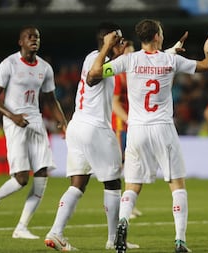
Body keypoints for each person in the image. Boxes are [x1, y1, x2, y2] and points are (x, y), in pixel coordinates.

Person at [87, 19, 208, 253]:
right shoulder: (170, 60)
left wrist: (104, 48)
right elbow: (205, 66)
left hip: (137, 129)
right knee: (177, 185)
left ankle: (122, 223)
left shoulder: (128, 61)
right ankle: (180, 241)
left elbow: (94, 73)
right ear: (156, 37)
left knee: (132, 185)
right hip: (162, 127)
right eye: (161, 33)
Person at [44, 22, 139, 251]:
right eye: (119, 39)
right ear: (108, 40)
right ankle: (114, 239)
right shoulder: (96, 59)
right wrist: (107, 46)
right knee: (113, 183)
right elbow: (92, 78)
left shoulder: (103, 61)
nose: (123, 43)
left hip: (78, 126)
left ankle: (56, 232)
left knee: (78, 184)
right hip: (95, 127)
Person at [0, 25, 67, 239]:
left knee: (42, 173)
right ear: (21, 42)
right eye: (29, 37)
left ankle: (21, 227)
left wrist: (62, 121)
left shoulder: (45, 68)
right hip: (14, 121)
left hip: (35, 121)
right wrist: (12, 116)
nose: (34, 39)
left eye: (37, 37)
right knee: (21, 179)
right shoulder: (8, 64)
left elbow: (49, 99)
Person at [112, 40, 143, 220]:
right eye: (127, 53)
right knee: (121, 165)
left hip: (133, 124)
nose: (129, 57)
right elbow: (114, 103)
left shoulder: (134, 73)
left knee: (133, 164)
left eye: (132, 53)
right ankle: (118, 206)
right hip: (120, 126)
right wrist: (128, 120)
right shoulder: (118, 75)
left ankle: (130, 205)